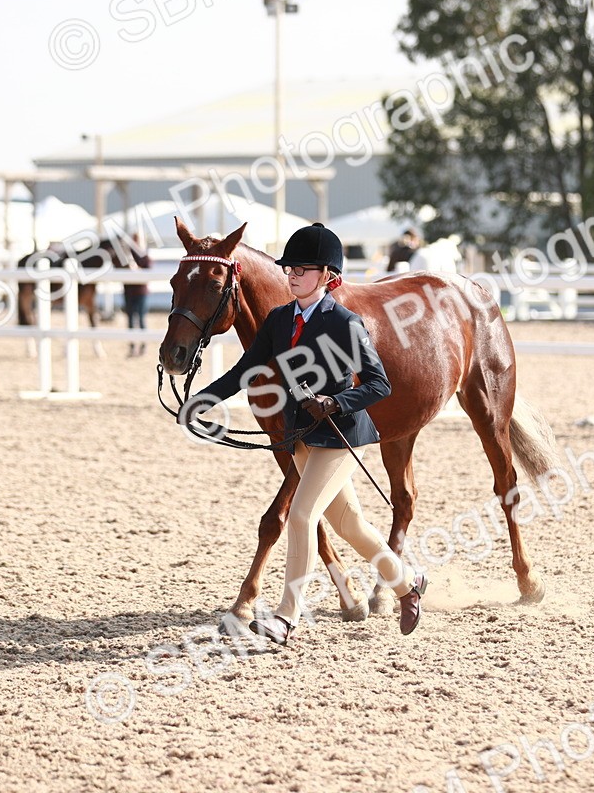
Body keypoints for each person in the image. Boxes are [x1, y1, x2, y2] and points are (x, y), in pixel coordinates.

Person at [178, 223, 428, 645]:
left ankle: (285, 617)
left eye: (304, 269)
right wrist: (203, 399)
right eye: (290, 268)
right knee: (352, 527)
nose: (292, 274)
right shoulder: (278, 319)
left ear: (328, 276)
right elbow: (244, 372)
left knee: (300, 515)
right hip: (301, 435)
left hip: (340, 433)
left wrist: (336, 402)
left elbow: (378, 384)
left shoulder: (346, 323)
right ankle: (408, 583)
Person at [123, 233, 151, 357]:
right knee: (130, 319)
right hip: (129, 292)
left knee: (140, 318)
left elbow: (148, 270)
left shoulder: (144, 256)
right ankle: (132, 346)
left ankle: (143, 345)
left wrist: (137, 269)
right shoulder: (127, 255)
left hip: (140, 292)